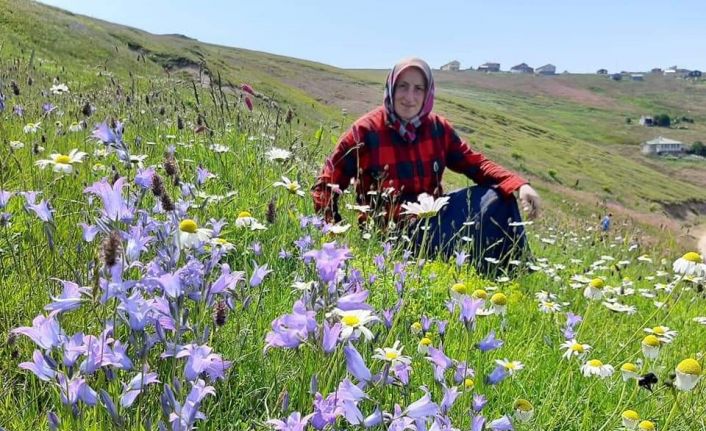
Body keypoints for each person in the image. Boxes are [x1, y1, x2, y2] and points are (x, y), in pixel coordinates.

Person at [311, 57, 540, 271]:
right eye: (403, 86)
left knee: (500, 196)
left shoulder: (438, 129)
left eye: (418, 88)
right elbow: (326, 185)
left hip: (434, 219)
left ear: (428, 92)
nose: (409, 97)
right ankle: (460, 264)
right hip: (390, 234)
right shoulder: (364, 131)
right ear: (391, 88)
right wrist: (335, 233)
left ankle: (505, 274)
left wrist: (519, 185)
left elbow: (474, 164)